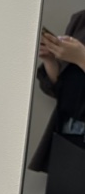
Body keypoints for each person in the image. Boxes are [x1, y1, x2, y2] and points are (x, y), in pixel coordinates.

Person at [28, 9, 85, 172]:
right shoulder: (80, 20)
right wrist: (50, 59)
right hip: (67, 132)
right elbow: (63, 89)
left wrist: (81, 58)